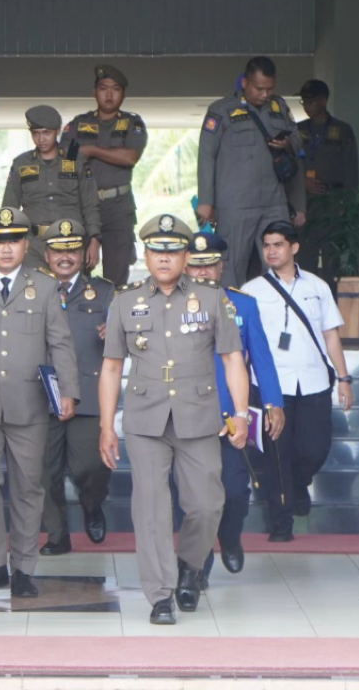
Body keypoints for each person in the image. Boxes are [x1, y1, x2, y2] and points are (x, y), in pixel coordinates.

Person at [99, 214, 249, 625]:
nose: (164, 259)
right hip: (146, 420)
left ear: (186, 255)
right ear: (145, 255)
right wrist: (105, 426)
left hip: (199, 417)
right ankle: (160, 595)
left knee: (207, 504)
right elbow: (112, 367)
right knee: (151, 508)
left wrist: (240, 414)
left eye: (173, 251)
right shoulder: (124, 301)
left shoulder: (213, 298)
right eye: (156, 251)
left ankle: (190, 565)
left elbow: (233, 357)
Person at [0, 208, 79, 598]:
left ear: (27, 245)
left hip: (29, 402)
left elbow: (60, 342)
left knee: (29, 487)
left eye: (13, 240)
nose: (6, 248)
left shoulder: (44, 286)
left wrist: (69, 392)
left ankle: (24, 568)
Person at [242, 221, 354, 542]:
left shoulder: (317, 286)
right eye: (266, 245)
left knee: (315, 449)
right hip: (271, 386)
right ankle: (281, 523)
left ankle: (298, 482)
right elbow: (245, 342)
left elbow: (331, 335)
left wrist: (344, 378)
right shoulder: (252, 290)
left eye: (278, 244)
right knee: (276, 455)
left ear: (294, 248)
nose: (271, 251)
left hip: (314, 381)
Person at [183, 233, 284, 580]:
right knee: (194, 498)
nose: (203, 273)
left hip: (231, 418)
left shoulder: (242, 305)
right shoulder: (171, 305)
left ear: (222, 265)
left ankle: (229, 538)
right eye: (196, 266)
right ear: (185, 266)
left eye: (210, 264)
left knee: (236, 492)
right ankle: (199, 566)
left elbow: (262, 358)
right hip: (187, 419)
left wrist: (273, 402)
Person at [39, 218, 114, 554]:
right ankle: (57, 536)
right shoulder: (32, 291)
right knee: (45, 471)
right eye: (58, 250)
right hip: (41, 394)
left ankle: (92, 504)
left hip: (87, 392)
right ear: (46, 254)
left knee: (91, 466)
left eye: (71, 249)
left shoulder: (106, 292)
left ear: (84, 254)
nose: (65, 256)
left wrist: (117, 329)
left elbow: (131, 329)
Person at [197, 56, 306, 288]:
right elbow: (206, 156)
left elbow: (298, 150)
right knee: (231, 264)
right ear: (245, 83)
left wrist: (299, 206)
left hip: (274, 203)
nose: (265, 94)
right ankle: (232, 318)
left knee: (280, 263)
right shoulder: (221, 111)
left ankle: (279, 316)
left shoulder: (280, 108)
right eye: (259, 88)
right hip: (235, 205)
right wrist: (206, 201)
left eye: (270, 88)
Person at [61, 65, 147, 286]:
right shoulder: (78, 124)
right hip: (82, 207)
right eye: (103, 88)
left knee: (116, 277)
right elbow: (67, 163)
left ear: (123, 93)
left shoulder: (132, 124)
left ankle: (112, 320)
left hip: (118, 208)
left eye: (115, 89)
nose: (109, 94)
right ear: (94, 92)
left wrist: (91, 151)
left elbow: (130, 157)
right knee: (75, 272)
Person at [2, 105, 101, 272]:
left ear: (58, 131)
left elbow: (90, 204)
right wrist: (10, 244)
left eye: (46, 133)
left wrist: (95, 240)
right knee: (33, 293)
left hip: (72, 243)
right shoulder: (21, 163)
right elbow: (10, 209)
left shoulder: (76, 159)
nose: (41, 139)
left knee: (74, 294)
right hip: (33, 246)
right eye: (36, 133)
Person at [296, 79, 359, 292]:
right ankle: (306, 305)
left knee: (333, 262)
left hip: (333, 204)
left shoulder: (342, 130)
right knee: (305, 260)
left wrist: (347, 205)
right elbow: (289, 166)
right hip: (307, 205)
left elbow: (351, 169)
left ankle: (332, 305)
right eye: (304, 101)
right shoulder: (297, 130)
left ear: (323, 101)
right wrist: (302, 184)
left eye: (311, 101)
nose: (306, 106)